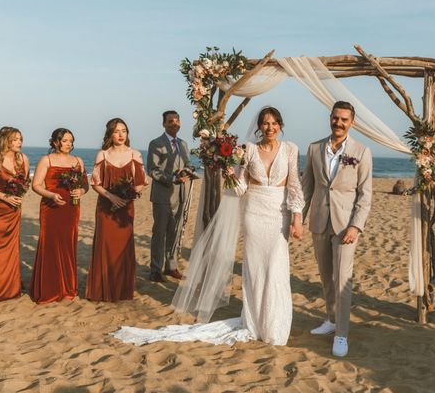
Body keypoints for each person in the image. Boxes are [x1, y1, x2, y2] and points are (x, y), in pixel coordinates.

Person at [111, 106, 304, 346]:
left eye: (274, 123)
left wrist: (297, 217)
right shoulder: (249, 150)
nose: (270, 128)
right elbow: (242, 186)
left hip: (278, 215)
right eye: (265, 123)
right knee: (254, 270)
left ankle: (275, 325)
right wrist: (228, 173)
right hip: (254, 213)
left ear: (281, 125)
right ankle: (255, 321)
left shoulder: (290, 149)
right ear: (259, 126)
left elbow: (294, 184)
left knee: (275, 268)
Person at [302, 100, 373, 357]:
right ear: (330, 118)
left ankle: (342, 334)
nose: (339, 122)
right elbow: (307, 188)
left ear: (351, 122)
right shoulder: (313, 148)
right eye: (335, 118)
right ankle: (331, 320)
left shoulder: (362, 151)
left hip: (346, 227)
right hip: (320, 222)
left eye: (344, 119)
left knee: (343, 280)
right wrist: (299, 218)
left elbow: (365, 195)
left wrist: (356, 225)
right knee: (326, 277)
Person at [85, 118, 147, 302]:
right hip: (106, 206)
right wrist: (112, 197)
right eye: (117, 131)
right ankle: (101, 290)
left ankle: (122, 290)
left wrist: (126, 198)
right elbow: (95, 183)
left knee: (123, 246)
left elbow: (141, 182)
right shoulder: (102, 155)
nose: (121, 134)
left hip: (126, 207)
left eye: (124, 131)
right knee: (105, 245)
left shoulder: (135, 154)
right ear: (110, 134)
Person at [29, 128, 88, 304]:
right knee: (50, 245)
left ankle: (67, 288)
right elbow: (36, 185)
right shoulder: (46, 160)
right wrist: (51, 195)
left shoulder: (78, 161)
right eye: (65, 141)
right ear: (55, 142)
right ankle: (49, 289)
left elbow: (85, 184)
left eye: (71, 141)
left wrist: (82, 190)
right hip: (51, 208)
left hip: (71, 208)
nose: (69, 144)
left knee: (68, 245)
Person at [147, 110, 191, 282]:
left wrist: (189, 171)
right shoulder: (156, 143)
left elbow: (187, 164)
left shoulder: (184, 144)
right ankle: (155, 269)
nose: (174, 123)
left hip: (180, 196)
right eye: (170, 121)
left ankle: (171, 267)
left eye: (177, 120)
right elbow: (152, 169)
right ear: (164, 124)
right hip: (162, 196)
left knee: (175, 233)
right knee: (159, 233)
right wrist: (173, 178)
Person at [0, 127, 30, 301]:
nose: (19, 142)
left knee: (11, 249)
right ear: (5, 140)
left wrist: (17, 195)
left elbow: (24, 184)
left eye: (20, 139)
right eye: (15, 139)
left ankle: (10, 286)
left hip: (13, 210)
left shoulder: (23, 159)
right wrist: (4, 196)